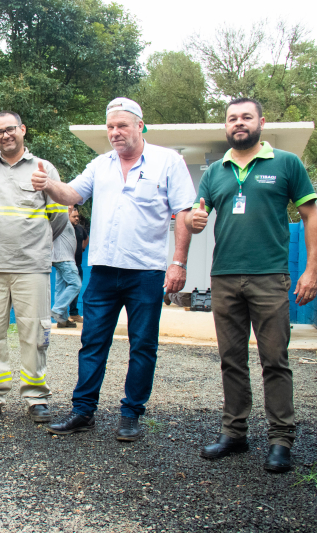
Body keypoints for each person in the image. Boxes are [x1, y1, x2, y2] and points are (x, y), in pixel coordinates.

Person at [31, 97, 195, 440]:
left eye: (121, 125)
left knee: (143, 346)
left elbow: (183, 213)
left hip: (146, 273)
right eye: (110, 127)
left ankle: (131, 415)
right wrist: (48, 183)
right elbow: (71, 194)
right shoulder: (100, 164)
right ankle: (83, 412)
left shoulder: (168, 162)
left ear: (140, 125)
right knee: (92, 342)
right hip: (103, 272)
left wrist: (178, 262)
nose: (115, 132)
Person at [185, 98, 317, 473]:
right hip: (225, 276)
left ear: (261, 122)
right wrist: (195, 222)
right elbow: (198, 215)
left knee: (274, 360)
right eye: (233, 119)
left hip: (269, 276)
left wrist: (311, 271)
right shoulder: (216, 171)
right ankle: (235, 433)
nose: (239, 123)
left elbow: (311, 215)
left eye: (246, 117)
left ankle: (281, 439)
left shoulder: (286, 164)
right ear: (226, 126)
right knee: (231, 359)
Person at [0, 111, 68, 423]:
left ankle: (36, 397)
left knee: (34, 333)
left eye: (10, 129)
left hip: (32, 267)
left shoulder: (44, 169)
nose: (5, 135)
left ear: (22, 130)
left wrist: (37, 245)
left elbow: (58, 218)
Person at [51, 214, 82, 328]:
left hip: (61, 258)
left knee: (61, 288)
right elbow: (64, 204)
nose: (77, 218)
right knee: (76, 284)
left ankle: (62, 320)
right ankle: (57, 310)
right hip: (64, 259)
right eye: (74, 215)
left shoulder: (62, 222)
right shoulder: (62, 219)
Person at [67, 208, 89, 322]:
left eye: (77, 216)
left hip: (78, 265)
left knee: (77, 288)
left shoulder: (80, 229)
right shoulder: (64, 229)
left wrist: (83, 248)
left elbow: (86, 238)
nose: (77, 218)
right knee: (65, 289)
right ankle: (61, 314)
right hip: (66, 264)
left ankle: (74, 314)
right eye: (74, 216)